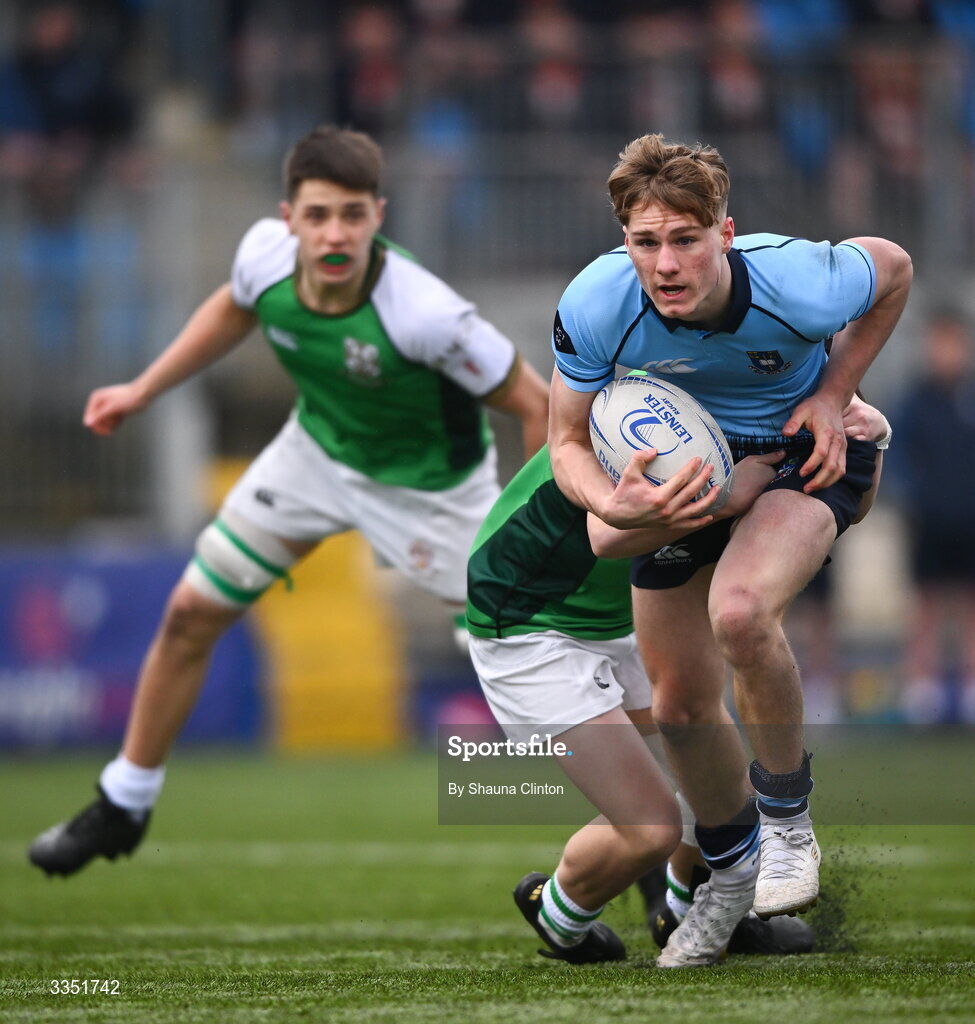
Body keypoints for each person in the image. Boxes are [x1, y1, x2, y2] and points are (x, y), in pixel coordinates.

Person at [28, 124, 549, 877]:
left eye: (351, 215)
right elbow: (234, 307)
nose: (334, 233)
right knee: (188, 614)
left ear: (379, 214)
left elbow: (535, 402)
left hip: (433, 496)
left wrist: (528, 534)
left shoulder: (426, 313)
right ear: (288, 218)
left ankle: (653, 864)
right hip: (315, 455)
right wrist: (143, 388)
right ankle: (123, 802)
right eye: (317, 216)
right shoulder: (262, 256)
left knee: (541, 682)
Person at [546, 133, 910, 967]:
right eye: (645, 242)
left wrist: (832, 392)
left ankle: (786, 825)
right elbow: (563, 440)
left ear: (725, 233)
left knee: (740, 614)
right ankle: (723, 884)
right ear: (623, 242)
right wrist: (615, 498)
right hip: (689, 478)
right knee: (677, 707)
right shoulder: (598, 302)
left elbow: (890, 268)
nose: (665, 262)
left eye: (685, 239)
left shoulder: (796, 280)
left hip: (802, 454)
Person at [467, 395, 888, 965]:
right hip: (526, 624)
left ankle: (691, 906)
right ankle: (557, 912)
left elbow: (849, 499)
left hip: (617, 611)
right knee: (651, 827)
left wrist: (867, 437)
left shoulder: (772, 383)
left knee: (705, 760)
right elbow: (607, 534)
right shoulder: (650, 397)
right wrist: (727, 496)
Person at [893, 310, 975, 724]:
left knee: (969, 606)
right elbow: (898, 458)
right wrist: (917, 497)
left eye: (952, 343)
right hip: (928, 522)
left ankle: (969, 690)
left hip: (971, 523)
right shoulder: (915, 401)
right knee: (925, 604)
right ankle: (922, 693)